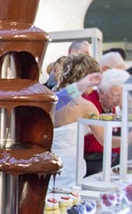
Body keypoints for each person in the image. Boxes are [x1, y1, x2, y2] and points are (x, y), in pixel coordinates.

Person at [52, 54, 102, 188]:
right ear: (88, 75)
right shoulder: (86, 107)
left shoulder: (51, 99)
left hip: (48, 169)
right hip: (70, 170)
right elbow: (105, 139)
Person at [82, 68, 130, 176]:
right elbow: (102, 140)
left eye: (122, 96)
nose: (118, 100)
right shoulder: (89, 101)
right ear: (102, 92)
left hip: (110, 159)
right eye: (115, 96)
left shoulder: (111, 105)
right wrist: (128, 138)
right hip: (91, 161)